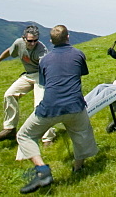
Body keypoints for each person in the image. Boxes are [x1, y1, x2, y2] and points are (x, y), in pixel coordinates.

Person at [15, 24, 98, 194]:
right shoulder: (78, 54)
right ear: (68, 37)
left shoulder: (44, 60)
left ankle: (42, 169)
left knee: (24, 135)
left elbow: (45, 83)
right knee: (81, 133)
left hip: (50, 107)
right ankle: (78, 168)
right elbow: (82, 72)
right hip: (75, 105)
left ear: (51, 41)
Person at [0, 25, 56, 145]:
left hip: (40, 76)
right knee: (9, 94)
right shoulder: (18, 43)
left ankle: (48, 138)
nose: (33, 43)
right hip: (28, 75)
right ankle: (9, 129)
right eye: (30, 41)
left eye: (36, 40)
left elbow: (46, 65)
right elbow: (9, 52)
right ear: (24, 38)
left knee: (40, 105)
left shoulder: (41, 49)